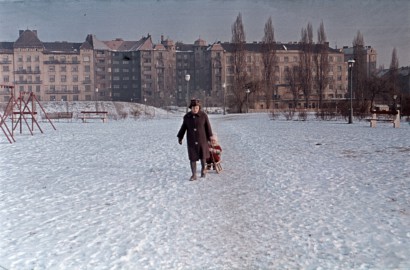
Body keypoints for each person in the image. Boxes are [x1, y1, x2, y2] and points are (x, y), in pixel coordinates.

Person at [177, 99, 213, 181]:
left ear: (199, 108)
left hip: (202, 140)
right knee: (192, 157)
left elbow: (208, 127)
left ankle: (203, 170)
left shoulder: (203, 115)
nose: (195, 109)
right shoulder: (187, 117)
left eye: (196, 107)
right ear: (191, 108)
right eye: (193, 108)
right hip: (191, 141)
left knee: (203, 156)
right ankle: (194, 174)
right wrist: (180, 137)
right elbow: (183, 128)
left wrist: (210, 137)